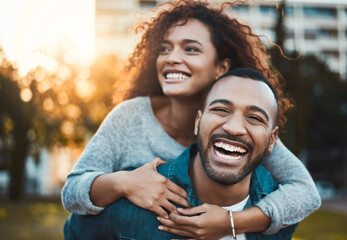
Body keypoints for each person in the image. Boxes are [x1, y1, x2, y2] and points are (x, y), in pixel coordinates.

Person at [61, 0, 320, 238]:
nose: (172, 58)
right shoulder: (130, 117)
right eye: (165, 49)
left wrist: (231, 223)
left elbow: (305, 193)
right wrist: (125, 183)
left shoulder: (239, 130)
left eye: (191, 49)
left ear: (221, 68)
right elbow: (72, 193)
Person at [64, 68, 299, 240]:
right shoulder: (134, 201)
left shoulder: (283, 216)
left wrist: (232, 224)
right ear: (197, 123)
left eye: (255, 118)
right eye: (220, 109)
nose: (234, 127)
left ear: (272, 140)